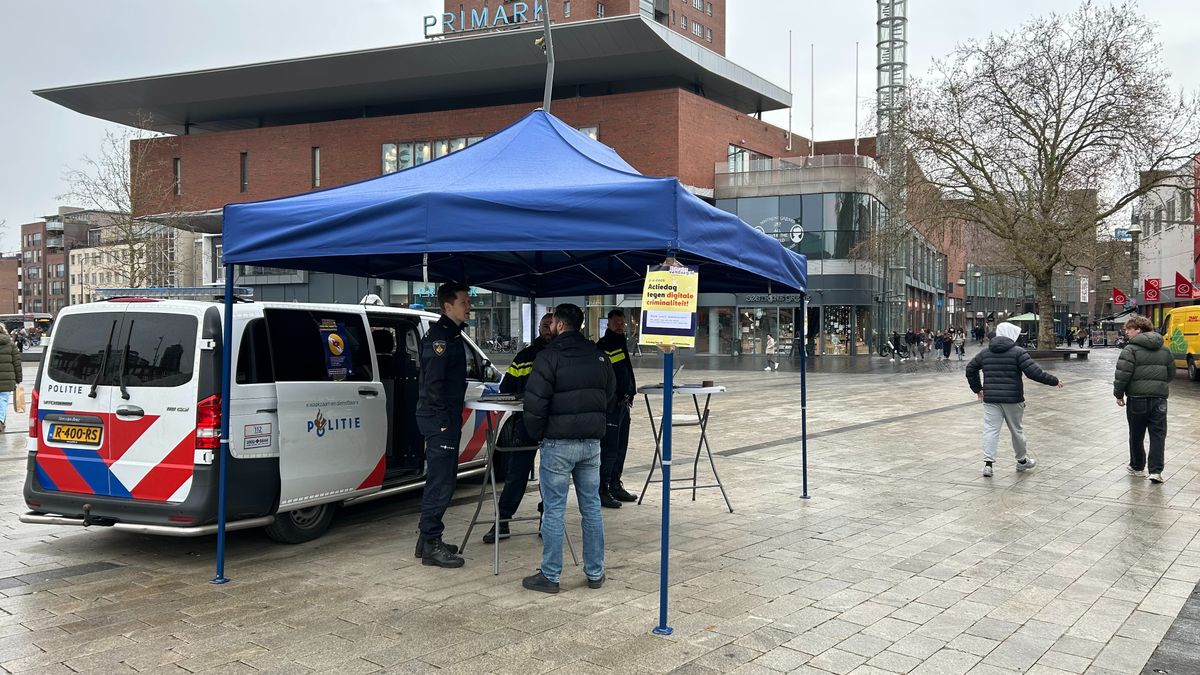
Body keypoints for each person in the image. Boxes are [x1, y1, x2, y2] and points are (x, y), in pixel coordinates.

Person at [521, 304, 615, 593]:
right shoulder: (600, 356)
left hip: (557, 444)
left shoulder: (549, 357)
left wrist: (540, 435)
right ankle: (595, 572)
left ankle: (550, 575)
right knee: (591, 509)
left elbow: (534, 404)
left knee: (554, 510)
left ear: (559, 325)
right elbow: (609, 394)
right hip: (591, 444)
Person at [483, 312, 555, 544]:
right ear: (539, 328)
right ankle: (502, 521)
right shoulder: (525, 356)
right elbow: (506, 387)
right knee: (517, 473)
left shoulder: (563, 355)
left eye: (551, 326)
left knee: (551, 476)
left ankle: (547, 520)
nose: (547, 329)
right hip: (526, 423)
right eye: (544, 325)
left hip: (555, 424)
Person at [414, 282, 471, 568]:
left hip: (443, 417)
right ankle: (432, 545)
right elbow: (434, 383)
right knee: (441, 481)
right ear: (448, 305)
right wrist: (444, 422)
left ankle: (426, 539)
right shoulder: (440, 337)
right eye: (463, 301)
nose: (468, 306)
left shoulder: (452, 334)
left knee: (443, 478)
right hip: (440, 420)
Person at [966, 322, 1063, 477]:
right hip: (1013, 399)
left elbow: (970, 368)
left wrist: (977, 389)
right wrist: (1054, 380)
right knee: (1016, 431)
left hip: (991, 399)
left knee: (991, 430)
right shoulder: (1018, 352)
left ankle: (988, 465)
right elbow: (1034, 373)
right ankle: (1022, 461)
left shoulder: (985, 352)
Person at [1113, 315, 1173, 483]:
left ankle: (1137, 466)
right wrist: (1158, 385)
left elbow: (1122, 375)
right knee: (1158, 434)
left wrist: (1119, 394)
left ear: (1138, 330)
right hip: (1159, 399)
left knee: (1137, 434)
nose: (1126, 332)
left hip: (1137, 398)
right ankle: (1156, 471)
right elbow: (1170, 373)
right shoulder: (1164, 349)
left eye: (1128, 329)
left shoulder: (1130, 350)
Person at [597, 309, 638, 508]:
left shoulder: (620, 342)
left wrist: (630, 393)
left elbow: (624, 373)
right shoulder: (605, 345)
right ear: (609, 324)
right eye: (616, 323)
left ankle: (615, 484)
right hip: (611, 406)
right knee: (610, 449)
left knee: (621, 448)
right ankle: (602, 489)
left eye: (622, 323)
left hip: (623, 404)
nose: (620, 326)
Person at [0, 326, 21, 434]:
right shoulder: (10, 344)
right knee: (3, 400)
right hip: (7, 379)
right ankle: (0, 421)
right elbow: (16, 362)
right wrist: (18, 378)